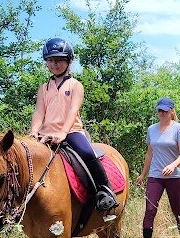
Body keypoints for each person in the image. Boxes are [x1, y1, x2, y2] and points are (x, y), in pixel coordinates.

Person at [30, 37, 118, 211]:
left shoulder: (75, 85)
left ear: (69, 61)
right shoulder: (43, 88)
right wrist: (33, 131)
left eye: (59, 60)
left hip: (71, 132)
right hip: (45, 134)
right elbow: (39, 112)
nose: (55, 64)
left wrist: (63, 133)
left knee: (86, 152)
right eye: (51, 60)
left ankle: (104, 190)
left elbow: (72, 111)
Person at [134, 98, 180, 238]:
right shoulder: (152, 129)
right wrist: (143, 174)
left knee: (177, 209)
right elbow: (150, 153)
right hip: (155, 176)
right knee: (150, 209)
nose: (162, 113)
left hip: (175, 176)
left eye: (165, 110)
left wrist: (173, 165)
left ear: (172, 111)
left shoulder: (179, 128)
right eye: (159, 110)